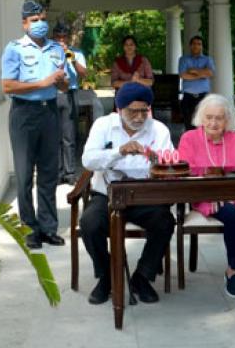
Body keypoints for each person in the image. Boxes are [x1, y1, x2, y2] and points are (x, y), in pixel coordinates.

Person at [80, 82, 175, 305]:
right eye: (134, 111)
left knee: (164, 222)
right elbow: (88, 160)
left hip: (144, 194)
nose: (140, 116)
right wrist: (118, 152)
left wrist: (153, 157)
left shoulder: (158, 129)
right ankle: (107, 276)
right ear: (119, 109)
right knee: (90, 224)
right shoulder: (103, 125)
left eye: (145, 110)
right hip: (108, 194)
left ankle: (142, 277)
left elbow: (169, 163)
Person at [177, 94, 235, 300]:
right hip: (206, 198)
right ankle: (233, 271)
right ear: (201, 118)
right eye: (209, 117)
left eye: (219, 118)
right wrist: (215, 188)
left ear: (227, 121)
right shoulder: (189, 139)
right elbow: (185, 169)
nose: (213, 122)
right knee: (234, 215)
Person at [0, 0, 68, 249]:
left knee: (50, 173)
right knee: (25, 174)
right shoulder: (14, 49)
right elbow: (7, 86)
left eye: (42, 19)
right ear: (24, 23)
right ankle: (29, 229)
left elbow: (64, 85)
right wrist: (42, 83)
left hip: (49, 112)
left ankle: (48, 228)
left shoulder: (55, 49)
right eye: (34, 20)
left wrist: (60, 81)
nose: (40, 24)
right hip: (24, 114)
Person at [54, 21, 88, 185]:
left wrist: (71, 58)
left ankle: (70, 173)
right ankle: (57, 173)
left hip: (70, 94)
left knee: (69, 136)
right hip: (51, 94)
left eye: (64, 37)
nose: (61, 40)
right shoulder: (47, 52)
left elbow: (84, 74)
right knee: (54, 136)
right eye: (58, 37)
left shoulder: (76, 53)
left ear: (68, 38)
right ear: (54, 37)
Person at [178, 35, 215, 131]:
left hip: (203, 97)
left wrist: (193, 71)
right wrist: (202, 74)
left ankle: (203, 145)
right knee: (189, 125)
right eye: (194, 44)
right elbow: (183, 75)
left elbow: (210, 73)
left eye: (199, 44)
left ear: (202, 46)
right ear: (190, 46)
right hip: (188, 97)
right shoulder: (183, 59)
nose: (196, 46)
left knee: (204, 124)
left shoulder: (207, 59)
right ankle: (191, 145)